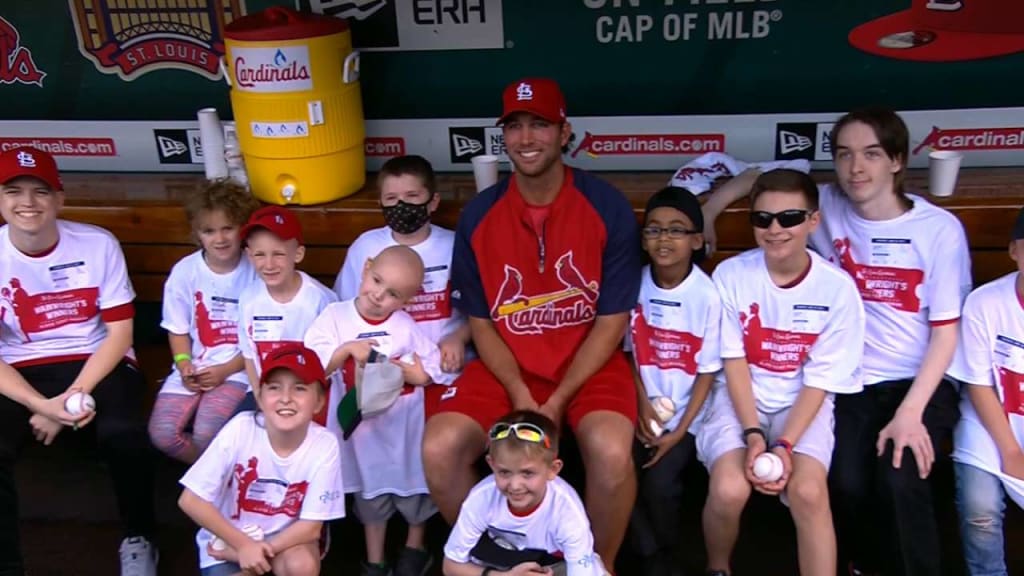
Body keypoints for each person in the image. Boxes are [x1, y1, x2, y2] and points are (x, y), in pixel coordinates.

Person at [703, 109, 971, 575]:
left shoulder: (939, 230)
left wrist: (910, 413)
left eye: (871, 154)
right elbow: (764, 182)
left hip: (915, 381)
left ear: (898, 161)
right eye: (844, 154)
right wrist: (706, 212)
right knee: (841, 481)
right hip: (844, 382)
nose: (856, 168)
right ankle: (859, 564)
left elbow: (947, 334)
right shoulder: (822, 205)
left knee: (899, 475)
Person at [423, 77, 642, 569]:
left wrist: (558, 400)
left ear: (565, 132)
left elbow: (611, 322)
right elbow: (481, 323)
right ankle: (499, 562)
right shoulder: (482, 215)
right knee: (440, 449)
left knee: (609, 452)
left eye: (540, 124)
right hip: (508, 364)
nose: (526, 138)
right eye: (515, 126)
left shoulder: (606, 206)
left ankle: (589, 566)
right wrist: (522, 395)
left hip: (587, 360)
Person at [0, 147, 158, 575]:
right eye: (14, 191)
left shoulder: (96, 243)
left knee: (124, 433)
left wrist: (69, 400)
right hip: (20, 368)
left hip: (96, 360)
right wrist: (41, 405)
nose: (28, 202)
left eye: (41, 191)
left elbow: (120, 333)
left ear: (60, 200)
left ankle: (140, 537)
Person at [700, 169, 865, 576]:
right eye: (762, 219)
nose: (775, 229)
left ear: (813, 221)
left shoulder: (837, 289)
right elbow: (733, 362)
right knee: (728, 487)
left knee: (808, 490)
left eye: (789, 218)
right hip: (741, 399)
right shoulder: (731, 276)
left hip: (801, 403)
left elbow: (821, 381)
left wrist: (785, 445)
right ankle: (717, 568)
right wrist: (755, 433)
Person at [306, 245, 452, 576]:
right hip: (362, 433)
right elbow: (315, 367)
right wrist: (345, 350)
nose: (377, 296)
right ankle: (375, 560)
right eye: (376, 281)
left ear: (406, 302)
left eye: (392, 294)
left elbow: (433, 364)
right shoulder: (335, 316)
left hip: (402, 429)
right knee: (371, 498)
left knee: (413, 493)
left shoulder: (404, 324)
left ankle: (414, 551)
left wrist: (421, 375)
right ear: (366, 267)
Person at [178, 343, 345, 576]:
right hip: (228, 539)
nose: (286, 398)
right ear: (259, 396)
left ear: (319, 401)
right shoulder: (240, 428)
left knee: (302, 566)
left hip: (285, 541)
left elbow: (311, 528)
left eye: (299, 388)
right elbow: (190, 500)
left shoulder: (324, 444)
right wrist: (243, 545)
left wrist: (252, 552)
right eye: (274, 388)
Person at [625, 187, 720, 576]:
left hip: (686, 415)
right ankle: (649, 555)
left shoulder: (707, 295)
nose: (664, 239)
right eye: (654, 230)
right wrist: (640, 404)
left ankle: (663, 554)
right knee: (614, 469)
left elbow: (708, 372)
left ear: (697, 240)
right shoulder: (633, 283)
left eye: (677, 230)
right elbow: (628, 353)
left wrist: (680, 431)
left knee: (661, 485)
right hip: (638, 404)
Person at [148, 179, 260, 463]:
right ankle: (215, 479)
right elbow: (177, 329)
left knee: (208, 432)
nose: (219, 239)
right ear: (197, 234)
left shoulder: (256, 269)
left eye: (227, 228)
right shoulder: (185, 271)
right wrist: (184, 363)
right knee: (162, 434)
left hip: (239, 368)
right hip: (194, 368)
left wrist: (225, 370)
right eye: (209, 231)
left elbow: (260, 336)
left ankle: (209, 488)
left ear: (243, 228)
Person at [334, 154, 470, 374]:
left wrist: (458, 338)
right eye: (391, 198)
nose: (401, 205)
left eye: (412, 195)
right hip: (383, 366)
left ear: (433, 201)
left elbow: (480, 311)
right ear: (380, 203)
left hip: (445, 364)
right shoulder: (366, 246)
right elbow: (345, 309)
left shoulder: (454, 245)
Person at [948, 207, 1024, 576]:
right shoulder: (986, 302)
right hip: (991, 419)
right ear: (1014, 251)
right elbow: (977, 383)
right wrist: (1010, 451)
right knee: (981, 509)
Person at [442, 410, 606, 576]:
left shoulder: (567, 511)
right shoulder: (481, 498)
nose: (515, 486)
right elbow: (450, 565)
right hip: (498, 567)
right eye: (504, 472)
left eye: (527, 473)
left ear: (553, 470)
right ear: (491, 465)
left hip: (555, 567)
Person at [236, 205, 337, 418]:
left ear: (298, 253)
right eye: (259, 254)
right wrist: (259, 394)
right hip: (266, 394)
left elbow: (330, 362)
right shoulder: (248, 299)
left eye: (279, 254)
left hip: (310, 398)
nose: (269, 264)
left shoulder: (320, 299)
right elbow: (250, 355)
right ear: (248, 255)